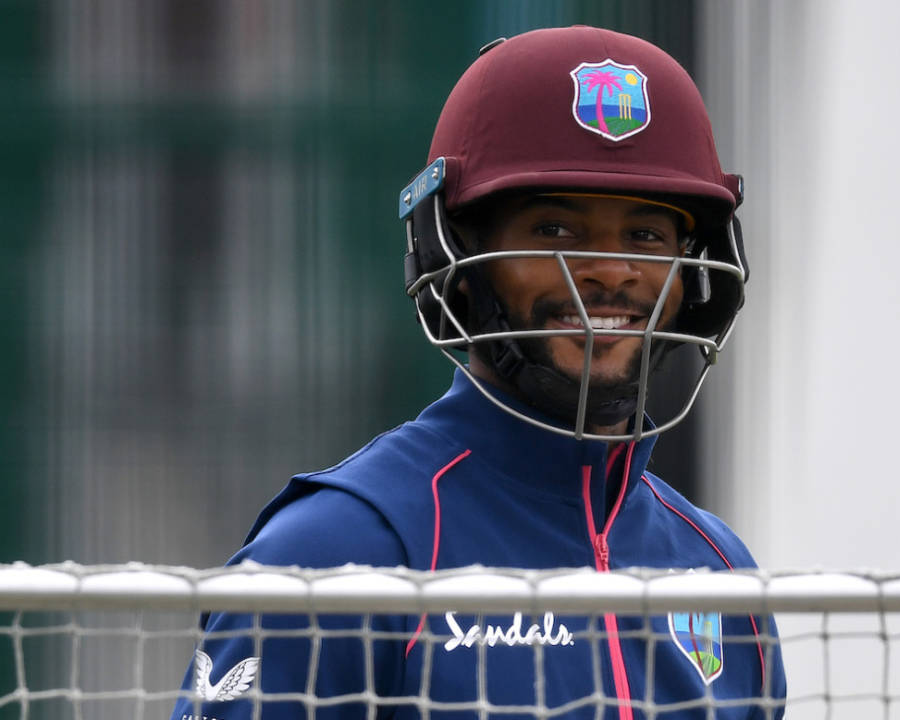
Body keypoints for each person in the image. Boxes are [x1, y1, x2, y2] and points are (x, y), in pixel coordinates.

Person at [172, 26, 785, 720]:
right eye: (555, 230)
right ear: (453, 261)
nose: (611, 272)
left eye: (645, 236)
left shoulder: (720, 571)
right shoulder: (337, 551)